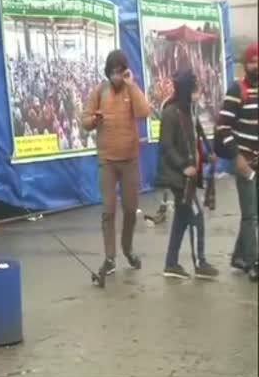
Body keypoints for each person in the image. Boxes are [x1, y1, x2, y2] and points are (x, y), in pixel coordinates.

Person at [83, 49, 150, 279]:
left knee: (131, 209)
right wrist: (94, 120)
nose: (116, 76)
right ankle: (109, 258)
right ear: (107, 73)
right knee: (108, 210)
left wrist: (131, 85)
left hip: (130, 160)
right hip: (107, 162)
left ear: (125, 72)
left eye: (119, 72)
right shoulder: (99, 92)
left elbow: (144, 111)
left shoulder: (131, 89)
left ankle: (127, 249)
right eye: (112, 73)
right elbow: (85, 120)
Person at [157, 70, 219, 279]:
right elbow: (166, 146)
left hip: (189, 175)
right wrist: (184, 166)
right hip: (179, 177)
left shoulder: (189, 110)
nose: (198, 93)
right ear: (185, 91)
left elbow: (198, 133)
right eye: (195, 90)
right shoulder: (170, 113)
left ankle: (171, 263)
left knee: (182, 220)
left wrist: (209, 153)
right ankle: (200, 263)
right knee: (196, 215)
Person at [216, 42, 258, 282]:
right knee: (250, 215)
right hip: (244, 163)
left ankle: (238, 256)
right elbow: (224, 126)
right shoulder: (236, 90)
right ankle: (253, 262)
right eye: (253, 62)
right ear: (245, 65)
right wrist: (237, 157)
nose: (257, 67)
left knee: (254, 215)